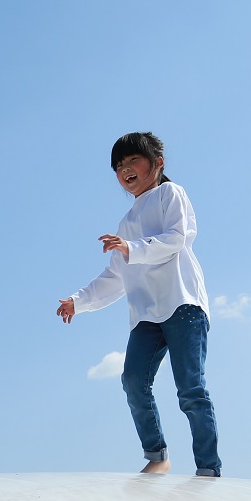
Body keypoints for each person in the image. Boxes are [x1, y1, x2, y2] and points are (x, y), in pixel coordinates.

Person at [56, 132, 221, 477]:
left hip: (182, 303)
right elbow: (115, 277)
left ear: (158, 163)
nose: (125, 169)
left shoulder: (169, 194)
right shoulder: (126, 223)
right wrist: (78, 301)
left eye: (133, 161)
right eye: (119, 166)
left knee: (190, 388)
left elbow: (177, 238)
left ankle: (208, 468)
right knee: (133, 380)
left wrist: (133, 249)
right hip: (146, 315)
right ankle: (158, 454)